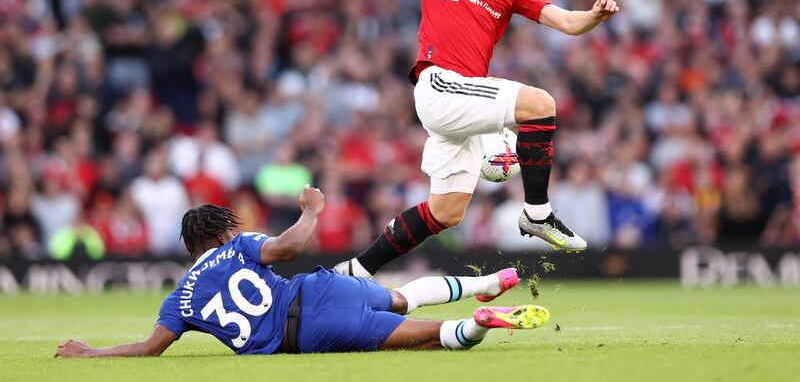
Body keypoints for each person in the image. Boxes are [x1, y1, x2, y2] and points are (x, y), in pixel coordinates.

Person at [299, 0, 619, 278]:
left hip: (463, 104)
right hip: (439, 85)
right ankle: (538, 213)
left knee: (445, 212)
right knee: (540, 103)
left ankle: (353, 271)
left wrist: (594, 16)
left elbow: (567, 22)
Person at [54, 187, 548, 358]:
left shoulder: (178, 300)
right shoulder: (241, 246)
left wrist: (89, 352)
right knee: (400, 297)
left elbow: (147, 350)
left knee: (428, 339)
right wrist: (312, 211)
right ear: (223, 232)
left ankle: (472, 325)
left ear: (191, 248)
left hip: (307, 330)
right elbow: (289, 247)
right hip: (320, 287)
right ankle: (482, 285)